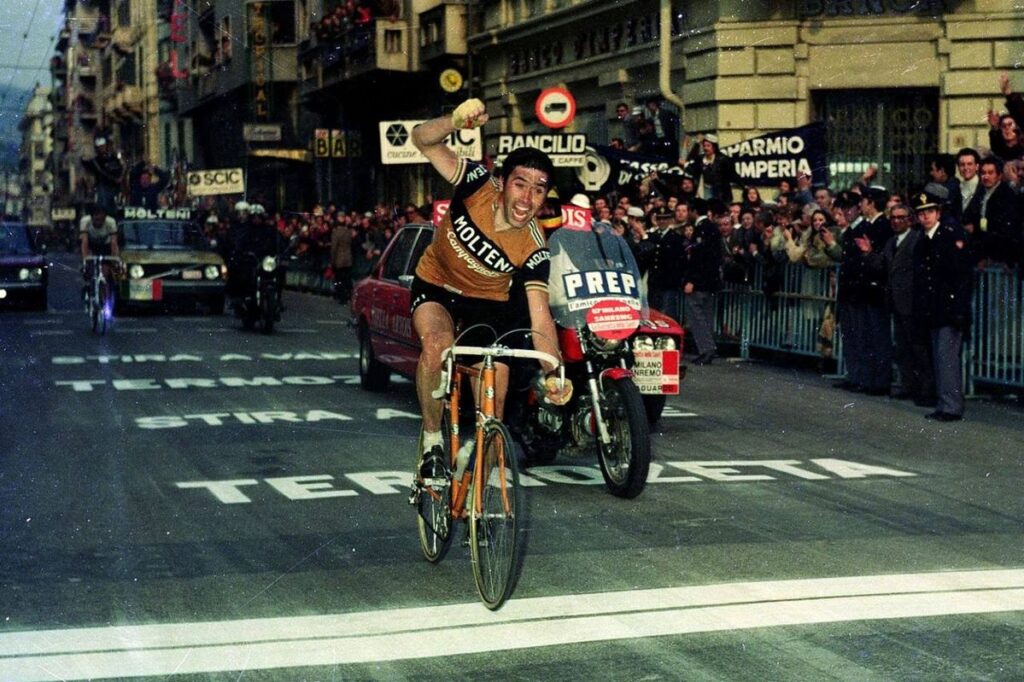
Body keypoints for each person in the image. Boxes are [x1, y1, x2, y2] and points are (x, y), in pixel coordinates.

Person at [409, 97, 570, 469]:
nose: (527, 198)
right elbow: (421, 139)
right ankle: (433, 441)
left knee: (492, 411)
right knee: (437, 345)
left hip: (488, 305)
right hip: (437, 284)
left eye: (539, 189)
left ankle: (478, 476)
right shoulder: (476, 184)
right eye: (520, 184)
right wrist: (454, 121)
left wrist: (555, 373)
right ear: (501, 183)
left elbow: (540, 318)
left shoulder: (534, 246)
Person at [911, 191, 973, 421]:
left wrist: (959, 308)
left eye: (930, 212)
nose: (925, 217)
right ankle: (944, 403)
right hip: (933, 308)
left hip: (949, 308)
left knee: (947, 357)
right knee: (939, 357)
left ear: (938, 213)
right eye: (921, 213)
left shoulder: (948, 236)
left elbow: (962, 275)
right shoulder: (922, 241)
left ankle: (951, 406)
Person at [684, 199, 724, 364]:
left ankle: (706, 349)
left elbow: (700, 259)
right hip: (710, 282)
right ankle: (708, 349)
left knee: (697, 317)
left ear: (694, 211)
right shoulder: (713, 228)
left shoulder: (701, 230)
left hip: (699, 282)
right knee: (706, 317)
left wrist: (692, 280)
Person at [78, 204, 120, 304]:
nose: (99, 222)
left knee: (106, 271)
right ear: (92, 218)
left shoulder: (111, 222)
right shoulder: (85, 222)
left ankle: (104, 296)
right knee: (89, 266)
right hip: (91, 244)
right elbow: (84, 242)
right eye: (97, 220)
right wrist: (85, 260)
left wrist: (115, 259)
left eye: (102, 220)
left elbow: (114, 243)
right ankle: (88, 284)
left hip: (105, 245)